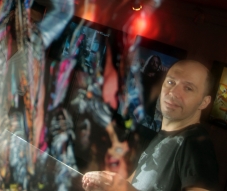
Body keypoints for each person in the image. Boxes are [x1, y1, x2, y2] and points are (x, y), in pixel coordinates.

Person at [82, 60, 219, 191]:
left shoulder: (196, 144)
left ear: (204, 102)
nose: (173, 92)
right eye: (170, 82)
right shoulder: (164, 137)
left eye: (188, 88)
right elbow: (133, 185)